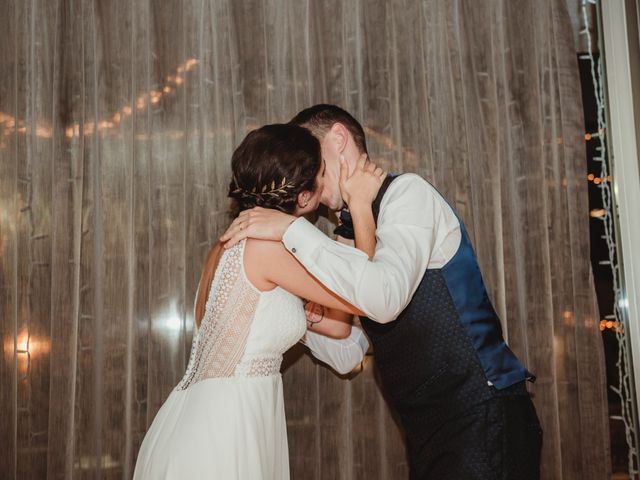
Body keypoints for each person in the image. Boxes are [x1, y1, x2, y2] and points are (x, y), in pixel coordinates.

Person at [220, 105, 543, 480]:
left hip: (480, 410)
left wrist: (290, 231)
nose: (305, 176)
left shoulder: (408, 194)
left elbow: (385, 299)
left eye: (311, 159)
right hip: (425, 427)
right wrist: (288, 315)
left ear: (339, 140)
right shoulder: (346, 237)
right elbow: (347, 353)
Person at [133, 123, 384, 479]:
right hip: (225, 426)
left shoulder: (232, 244)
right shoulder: (266, 248)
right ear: (303, 197)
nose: (328, 180)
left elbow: (339, 324)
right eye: (323, 173)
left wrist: (315, 311)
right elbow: (365, 292)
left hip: (218, 414)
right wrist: (360, 207)